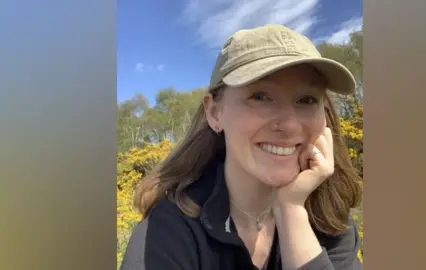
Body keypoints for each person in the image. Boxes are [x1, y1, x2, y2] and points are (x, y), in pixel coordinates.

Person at [120, 24, 363, 270]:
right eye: (260, 96)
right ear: (215, 113)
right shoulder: (169, 235)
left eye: (307, 100)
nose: (289, 124)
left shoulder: (330, 220)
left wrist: (291, 212)